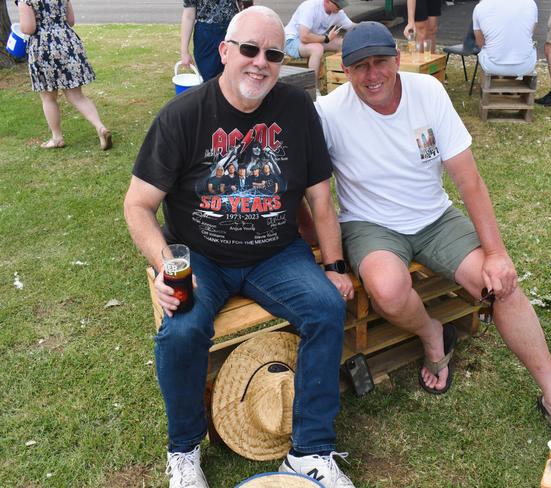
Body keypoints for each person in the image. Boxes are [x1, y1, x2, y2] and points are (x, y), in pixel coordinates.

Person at [124, 6, 356, 488]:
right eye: (249, 49)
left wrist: (334, 265)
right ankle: (184, 450)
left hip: (276, 252)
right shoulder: (183, 116)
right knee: (182, 332)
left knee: (326, 307)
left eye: (273, 53)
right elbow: (138, 206)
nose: (260, 62)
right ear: (225, 51)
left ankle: (310, 452)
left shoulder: (296, 111)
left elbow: (319, 198)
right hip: (201, 256)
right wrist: (167, 267)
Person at [315, 21, 551, 424]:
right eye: (360, 66)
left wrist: (497, 253)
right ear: (345, 71)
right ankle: (433, 333)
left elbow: (468, 180)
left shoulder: (428, 92)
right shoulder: (328, 112)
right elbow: (313, 191)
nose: (372, 74)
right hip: (370, 223)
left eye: (381, 61)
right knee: (387, 288)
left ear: (398, 60)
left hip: (434, 215)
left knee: (500, 285)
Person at [17, 0, 112, 150]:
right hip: (68, 43)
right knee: (77, 95)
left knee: (48, 97)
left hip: (43, 48)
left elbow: (29, 28)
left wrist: (20, 26)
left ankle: (57, 138)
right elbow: (71, 21)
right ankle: (100, 127)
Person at [284, 0, 355, 88]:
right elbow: (304, 37)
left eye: (342, 5)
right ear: (327, 1)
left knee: (342, 43)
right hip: (292, 40)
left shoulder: (338, 12)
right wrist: (327, 38)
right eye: (338, 5)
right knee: (317, 49)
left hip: (314, 40)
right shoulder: (310, 7)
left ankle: (337, 82)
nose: (340, 8)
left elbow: (351, 26)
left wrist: (369, 25)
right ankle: (313, 88)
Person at [472, 0, 537, 77]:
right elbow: (530, 32)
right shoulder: (531, 3)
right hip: (526, 66)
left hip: (491, 66)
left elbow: (480, 43)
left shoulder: (480, 6)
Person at [180, 0, 239, 81]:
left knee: (233, 76)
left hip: (233, 31)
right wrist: (184, 51)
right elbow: (188, 15)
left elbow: (246, 5)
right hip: (206, 36)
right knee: (209, 78)